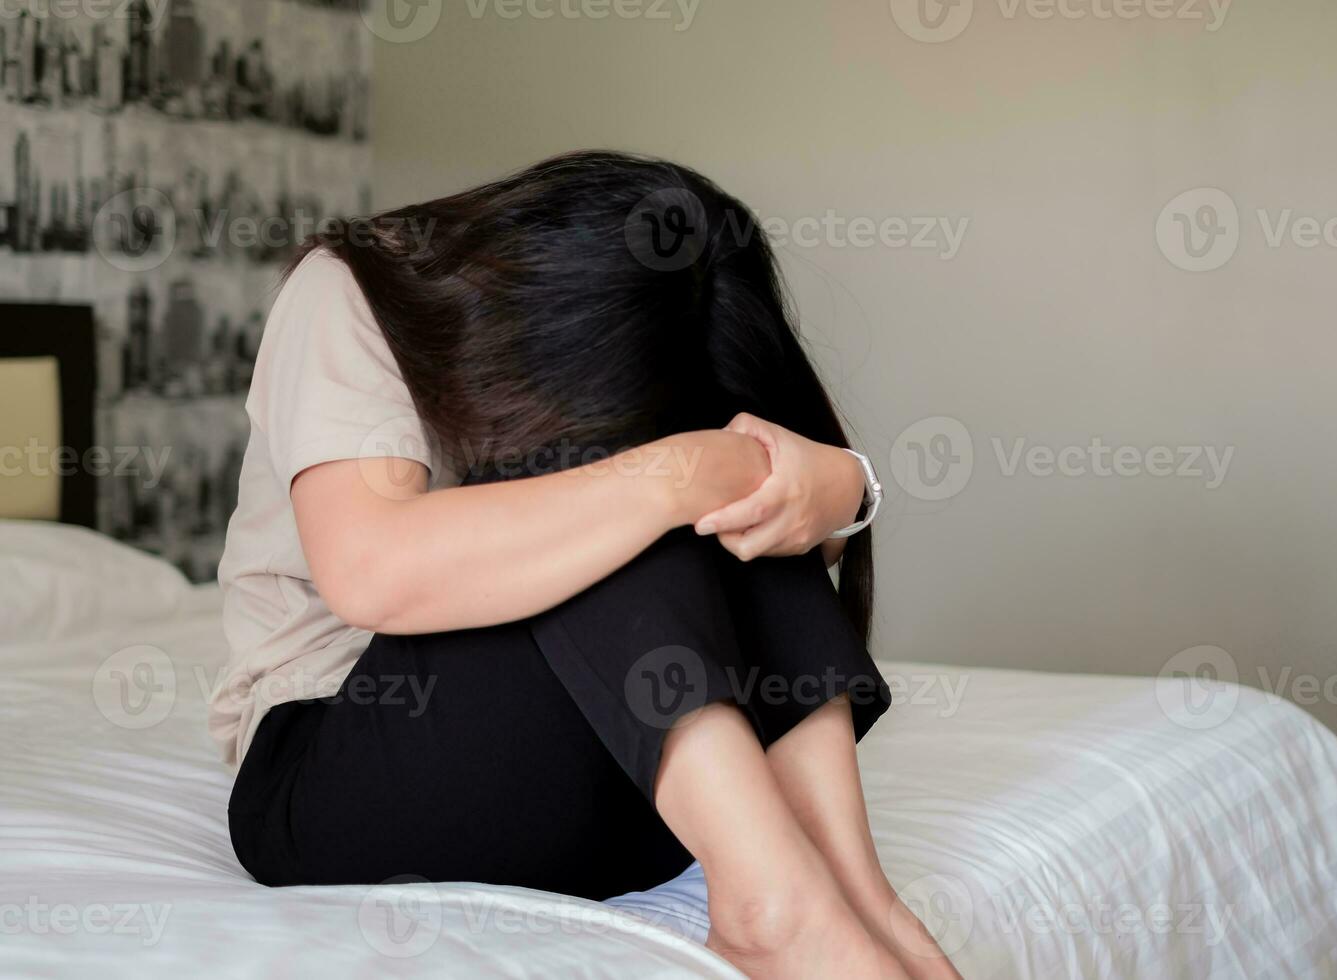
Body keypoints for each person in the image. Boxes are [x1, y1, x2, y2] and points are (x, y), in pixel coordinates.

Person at [214, 150, 959, 980]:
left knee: (720, 493)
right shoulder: (348, 291)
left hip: (627, 798)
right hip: (336, 782)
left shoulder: (673, 330)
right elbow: (371, 570)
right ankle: (773, 910)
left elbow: (764, 554)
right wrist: (681, 469)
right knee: (612, 484)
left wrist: (840, 489)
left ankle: (856, 895)